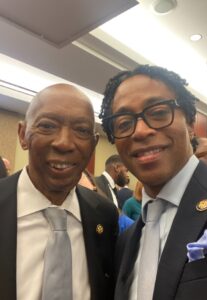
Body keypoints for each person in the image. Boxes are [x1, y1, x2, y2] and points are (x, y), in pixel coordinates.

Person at [99, 64, 207, 300]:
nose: (141, 131)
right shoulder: (125, 242)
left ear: (190, 122)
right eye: (124, 123)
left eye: (158, 112)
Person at [0, 83, 119, 300]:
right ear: (23, 134)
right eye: (47, 126)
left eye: (81, 130)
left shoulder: (104, 215)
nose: (64, 143)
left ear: (92, 145)